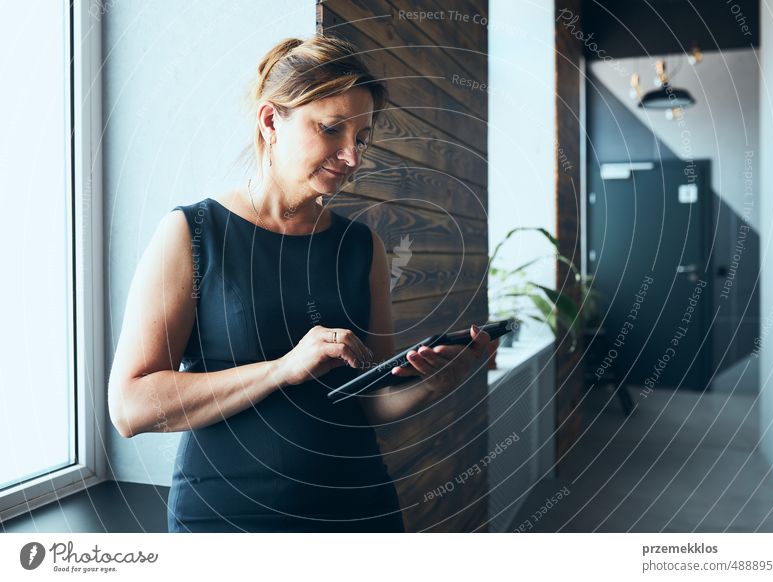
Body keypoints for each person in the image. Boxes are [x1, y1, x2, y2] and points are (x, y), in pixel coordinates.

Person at [107, 35, 491, 533]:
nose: (352, 156)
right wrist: (283, 369)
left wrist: (435, 380)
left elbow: (372, 400)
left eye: (362, 137)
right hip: (228, 525)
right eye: (332, 130)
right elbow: (130, 407)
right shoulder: (192, 234)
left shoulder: (361, 247)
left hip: (360, 514)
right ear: (271, 121)